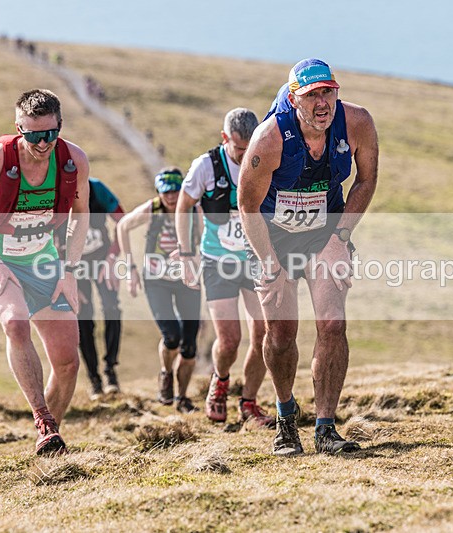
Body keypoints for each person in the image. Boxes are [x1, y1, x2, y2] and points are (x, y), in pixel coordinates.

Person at [238, 58, 379, 455]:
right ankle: (286, 419)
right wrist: (268, 262)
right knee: (280, 335)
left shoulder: (357, 123)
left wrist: (341, 236)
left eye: (328, 92)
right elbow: (247, 207)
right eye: (312, 95)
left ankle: (325, 427)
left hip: (324, 233)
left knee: (332, 325)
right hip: (272, 238)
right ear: (294, 99)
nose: (322, 103)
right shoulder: (269, 139)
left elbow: (366, 179)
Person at [0, 88, 90, 455]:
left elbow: (81, 215)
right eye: (33, 134)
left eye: (51, 133)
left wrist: (69, 271)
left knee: (68, 361)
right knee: (15, 321)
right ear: (18, 128)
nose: (43, 143)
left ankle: (48, 437)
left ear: (60, 126)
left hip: (42, 261)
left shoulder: (74, 160)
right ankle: (42, 418)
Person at [175, 108, 275, 428]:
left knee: (263, 333)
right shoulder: (205, 166)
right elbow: (183, 205)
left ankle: (249, 401)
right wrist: (186, 252)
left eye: (251, 148)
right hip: (217, 261)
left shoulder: (266, 157)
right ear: (225, 139)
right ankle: (219, 383)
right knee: (229, 339)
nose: (246, 155)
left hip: (253, 259)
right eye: (239, 149)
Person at [117, 168, 202, 414]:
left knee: (189, 345)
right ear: (159, 192)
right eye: (166, 193)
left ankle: (182, 398)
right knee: (171, 335)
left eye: (175, 191)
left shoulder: (194, 211)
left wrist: (193, 255)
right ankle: (166, 374)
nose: (172, 198)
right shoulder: (152, 209)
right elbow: (123, 227)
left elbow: (205, 239)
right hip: (156, 280)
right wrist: (130, 267)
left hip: (187, 279)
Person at [55, 177, 125, 400]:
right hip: (73, 266)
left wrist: (113, 257)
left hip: (102, 259)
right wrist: (67, 276)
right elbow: (46, 241)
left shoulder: (98, 189)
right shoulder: (52, 194)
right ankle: (94, 379)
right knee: (83, 318)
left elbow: (122, 222)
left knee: (112, 308)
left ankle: (110, 369)